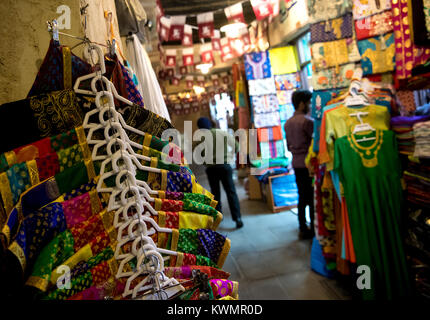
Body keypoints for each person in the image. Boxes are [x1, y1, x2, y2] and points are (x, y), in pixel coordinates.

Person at [196, 117, 244, 229]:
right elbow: (236, 146)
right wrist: (230, 156)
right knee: (231, 192)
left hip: (211, 168)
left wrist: (205, 161)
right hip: (225, 166)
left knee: (215, 193)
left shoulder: (201, 138)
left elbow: (199, 154)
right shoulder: (222, 133)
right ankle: (237, 218)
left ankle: (218, 218)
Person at [284, 90, 315, 239]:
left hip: (296, 163)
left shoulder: (288, 123)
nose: (310, 105)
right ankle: (315, 229)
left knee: (302, 196)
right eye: (309, 102)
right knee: (312, 197)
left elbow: (289, 145)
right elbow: (314, 145)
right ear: (302, 103)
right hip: (308, 164)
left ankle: (302, 227)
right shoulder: (308, 121)